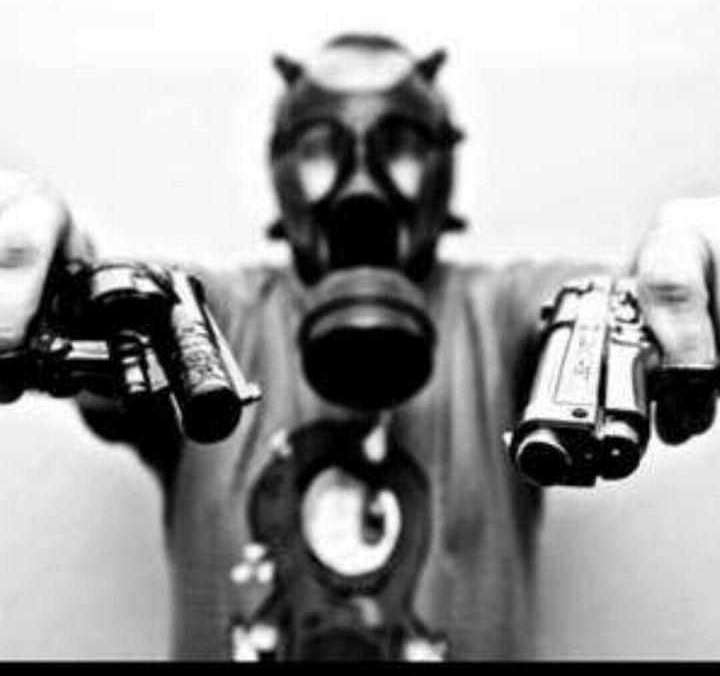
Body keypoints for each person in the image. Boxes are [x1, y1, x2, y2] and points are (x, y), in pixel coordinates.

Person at [0, 33, 717, 661]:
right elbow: (141, 309)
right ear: (280, 170)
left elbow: (603, 307)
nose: (361, 185)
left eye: (400, 144)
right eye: (321, 147)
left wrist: (683, 273)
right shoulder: (215, 328)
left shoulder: (501, 318)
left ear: (444, 167)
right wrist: (69, 288)